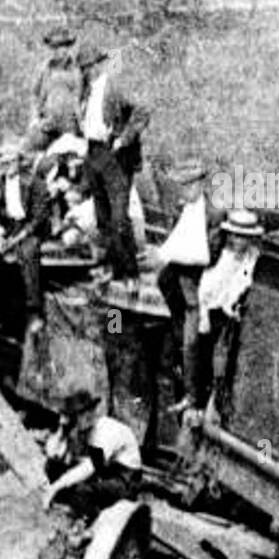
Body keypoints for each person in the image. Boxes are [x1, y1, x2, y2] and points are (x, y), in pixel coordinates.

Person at [76, 42, 149, 291]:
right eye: (84, 68)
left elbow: (141, 111)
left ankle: (131, 274)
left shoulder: (114, 86)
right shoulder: (85, 92)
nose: (88, 72)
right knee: (103, 218)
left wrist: (122, 139)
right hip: (93, 153)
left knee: (119, 218)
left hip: (115, 157)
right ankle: (113, 269)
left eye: (91, 66)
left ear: (100, 65)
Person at [0, 137, 56, 333]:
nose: (8, 166)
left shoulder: (35, 183)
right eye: (4, 163)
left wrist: (17, 238)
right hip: (7, 227)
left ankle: (34, 312)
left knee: (28, 254)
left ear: (19, 161)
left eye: (11, 162)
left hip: (28, 227)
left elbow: (39, 218)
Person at [156, 160, 225, 410]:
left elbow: (212, 254)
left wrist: (186, 257)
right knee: (176, 337)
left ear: (199, 184)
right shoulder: (182, 209)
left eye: (188, 186)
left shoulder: (213, 213)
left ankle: (193, 397)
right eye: (181, 187)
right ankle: (179, 385)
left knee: (191, 342)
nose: (184, 192)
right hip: (178, 285)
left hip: (199, 286)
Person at [196, 209, 265, 415]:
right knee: (209, 358)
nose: (238, 241)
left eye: (243, 236)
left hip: (236, 314)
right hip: (215, 314)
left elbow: (245, 284)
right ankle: (204, 402)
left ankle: (221, 400)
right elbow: (205, 290)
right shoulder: (222, 257)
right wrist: (204, 316)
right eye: (234, 235)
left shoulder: (252, 259)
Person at [39, 391, 142, 519]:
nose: (73, 421)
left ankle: (94, 522)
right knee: (53, 467)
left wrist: (55, 487)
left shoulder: (106, 431)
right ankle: (69, 504)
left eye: (75, 416)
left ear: (87, 415)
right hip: (105, 471)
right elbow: (52, 454)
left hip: (124, 480)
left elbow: (89, 467)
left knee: (82, 491)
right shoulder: (86, 429)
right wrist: (62, 430)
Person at [29, 27, 79, 142]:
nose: (57, 51)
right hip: (47, 123)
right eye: (54, 47)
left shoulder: (76, 70)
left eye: (61, 46)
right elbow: (34, 95)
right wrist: (34, 118)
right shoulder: (44, 69)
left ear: (67, 48)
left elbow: (80, 95)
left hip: (69, 125)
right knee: (30, 147)